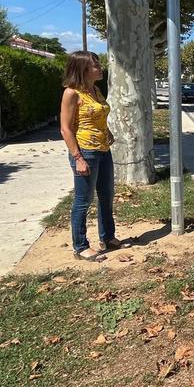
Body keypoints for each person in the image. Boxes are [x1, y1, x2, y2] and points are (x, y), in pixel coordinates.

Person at [59, 51, 121, 261]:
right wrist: (78, 158)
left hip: (103, 150)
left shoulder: (95, 90)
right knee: (83, 200)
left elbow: (99, 116)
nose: (100, 68)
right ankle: (80, 246)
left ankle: (108, 236)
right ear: (83, 69)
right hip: (85, 151)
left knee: (107, 195)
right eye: (96, 65)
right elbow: (66, 129)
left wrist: (108, 132)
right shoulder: (72, 93)